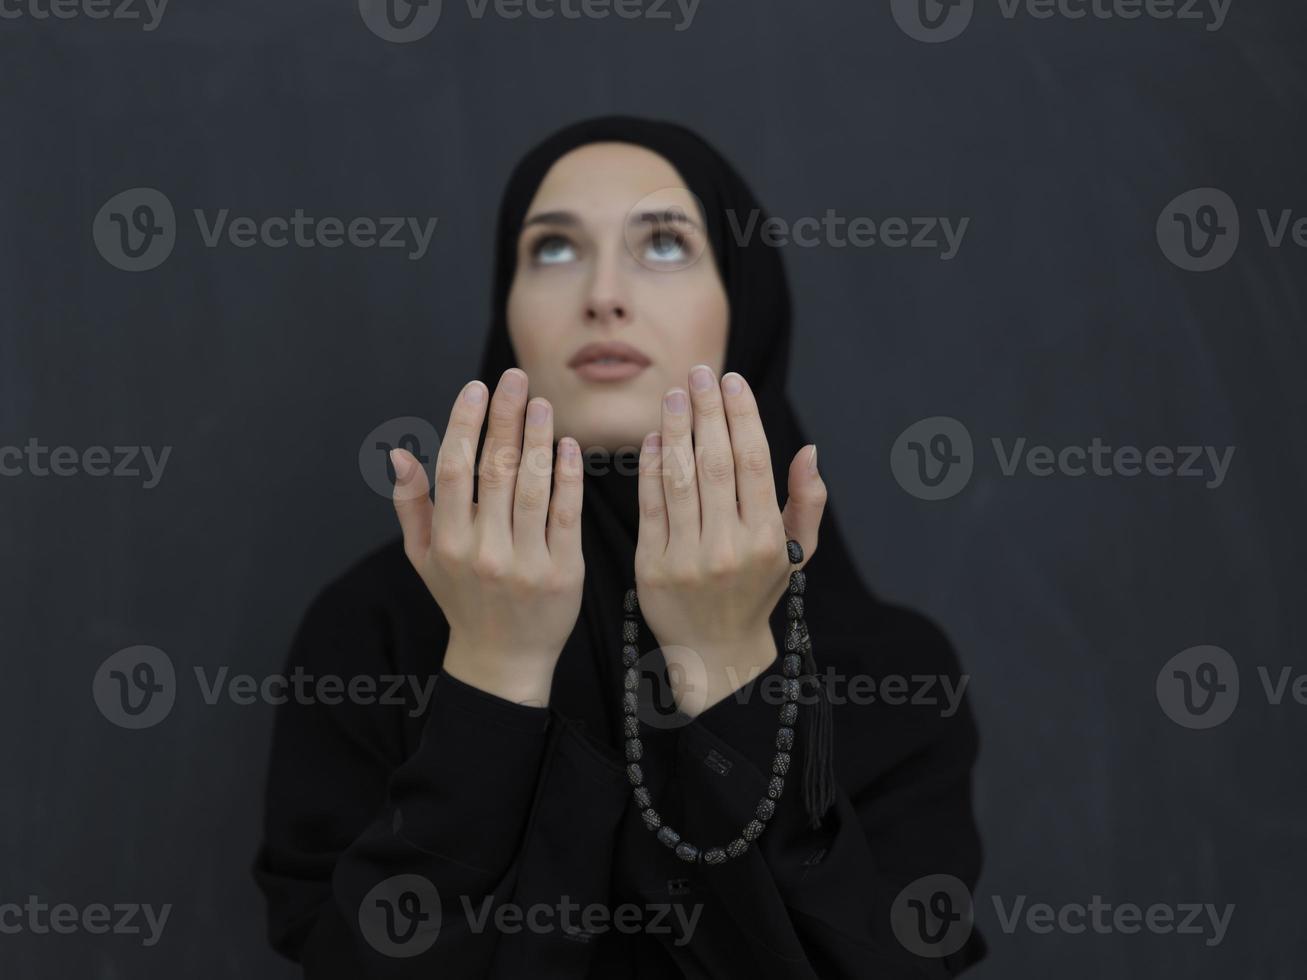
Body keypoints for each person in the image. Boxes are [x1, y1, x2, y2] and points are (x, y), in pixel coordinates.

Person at [253, 115, 986, 978]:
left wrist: (730, 670)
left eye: (665, 245)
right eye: (553, 249)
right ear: (509, 311)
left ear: (740, 303)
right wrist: (493, 672)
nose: (602, 293)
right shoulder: (371, 633)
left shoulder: (894, 670)